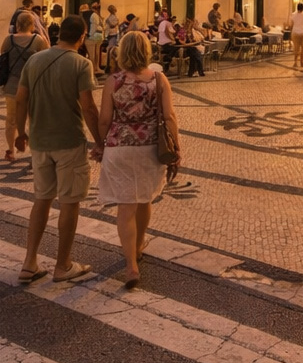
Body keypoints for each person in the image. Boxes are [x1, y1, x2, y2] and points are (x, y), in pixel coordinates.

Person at [16, 15, 100, 284]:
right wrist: (100, 140)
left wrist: (21, 132)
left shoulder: (35, 59)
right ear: (82, 36)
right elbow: (88, 106)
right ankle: (62, 264)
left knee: (41, 199)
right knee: (69, 202)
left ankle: (29, 262)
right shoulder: (81, 64)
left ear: (59, 32)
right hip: (69, 141)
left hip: (40, 142)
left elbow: (21, 98)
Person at [94, 31, 180, 289]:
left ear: (122, 51)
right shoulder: (158, 79)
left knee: (126, 204)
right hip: (149, 148)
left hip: (119, 148)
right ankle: (139, 243)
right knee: (144, 197)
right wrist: (176, 148)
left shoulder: (114, 81)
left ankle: (131, 264)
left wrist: (101, 144)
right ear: (146, 51)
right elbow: (170, 117)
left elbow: (104, 119)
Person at [0, 12, 48, 161]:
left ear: (18, 25)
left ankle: (10, 150)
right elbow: (46, 61)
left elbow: (2, 57)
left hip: (12, 84)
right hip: (32, 86)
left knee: (11, 119)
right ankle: (34, 153)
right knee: (33, 120)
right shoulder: (38, 40)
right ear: (33, 25)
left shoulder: (8, 40)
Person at [288, 1, 303, 69]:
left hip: (295, 33)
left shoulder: (293, 14)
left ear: (297, 7)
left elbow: (291, 25)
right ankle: (301, 62)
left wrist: (290, 33)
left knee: (296, 48)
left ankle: (295, 62)